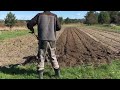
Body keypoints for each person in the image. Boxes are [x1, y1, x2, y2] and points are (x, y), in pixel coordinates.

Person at [27, 11, 61, 79]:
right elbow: (59, 27)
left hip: (42, 39)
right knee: (53, 56)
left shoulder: (39, 15)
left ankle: (41, 76)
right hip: (52, 39)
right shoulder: (54, 16)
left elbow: (29, 24)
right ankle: (58, 74)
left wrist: (32, 29)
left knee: (41, 56)